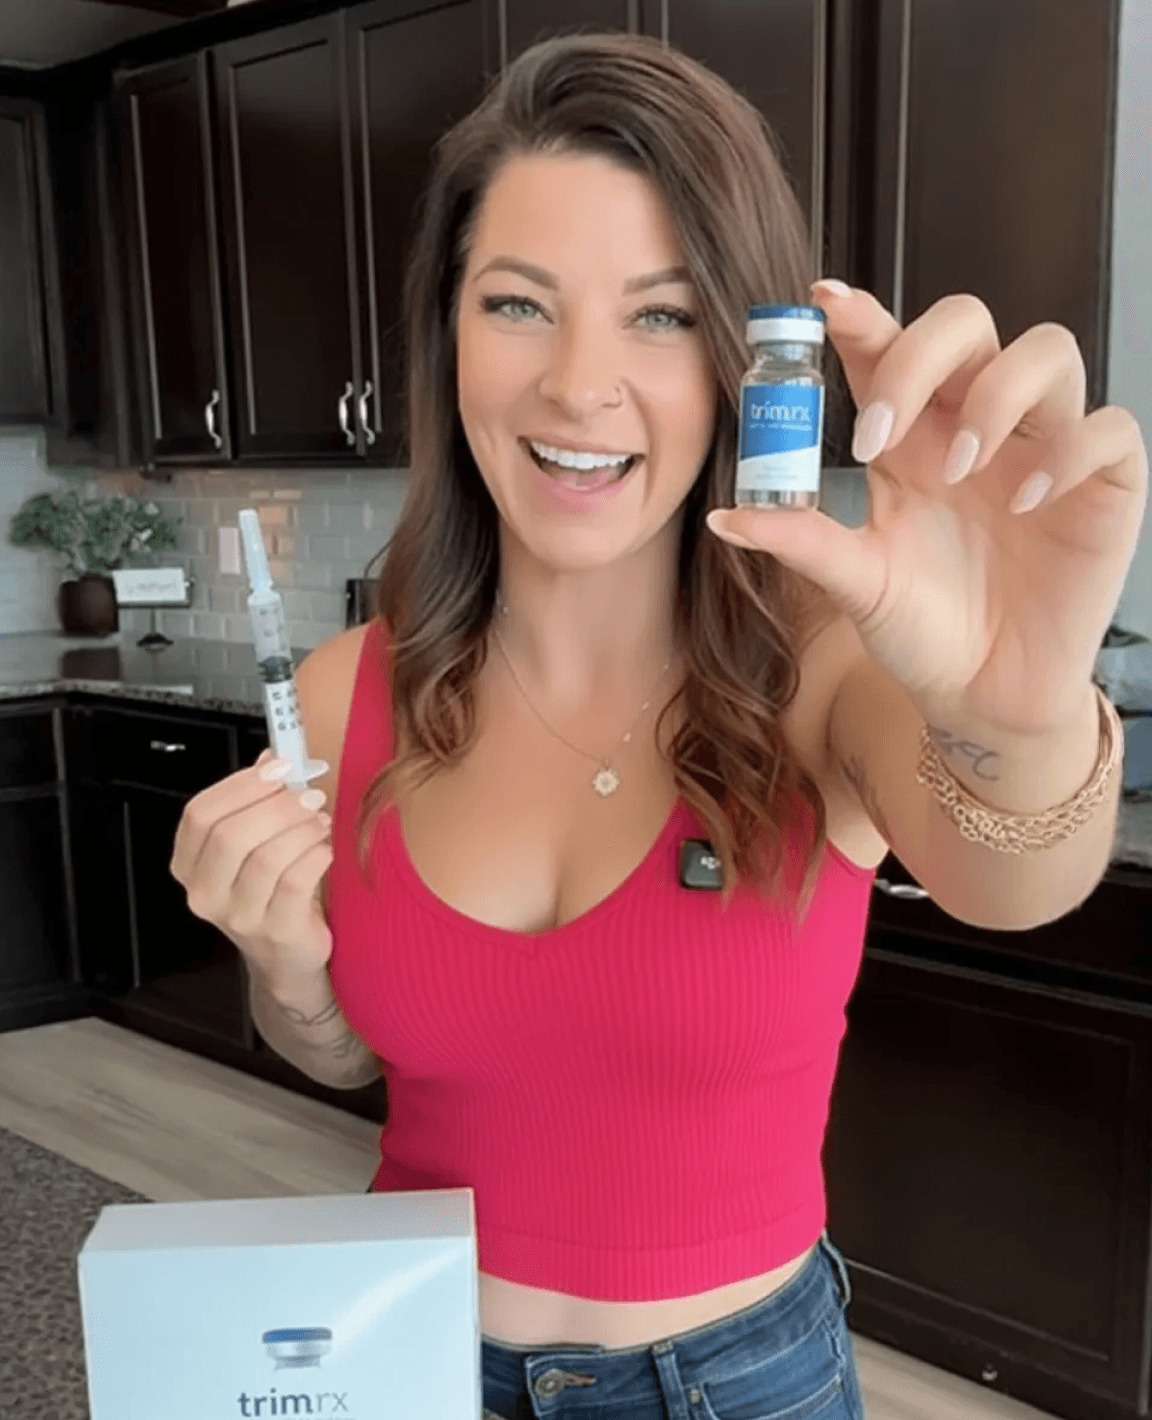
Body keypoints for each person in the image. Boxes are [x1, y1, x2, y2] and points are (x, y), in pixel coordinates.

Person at [170, 31, 1148, 1420]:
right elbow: (342, 1055)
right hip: (409, 1358)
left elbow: (1018, 883)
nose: (579, 386)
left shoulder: (824, 676)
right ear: (449, 335)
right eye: (519, 304)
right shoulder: (336, 696)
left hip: (742, 1386)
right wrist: (285, 967)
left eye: (664, 315)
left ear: (745, 362)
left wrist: (1021, 710)